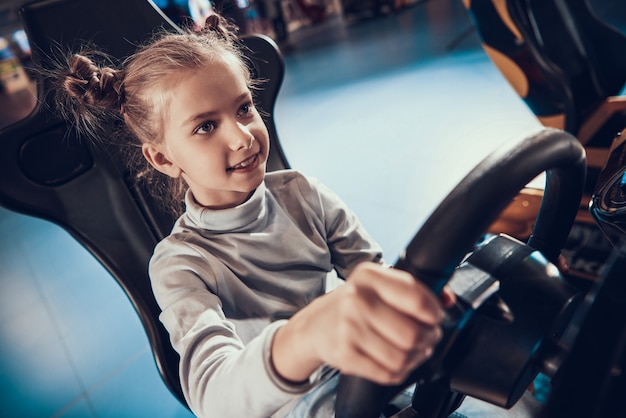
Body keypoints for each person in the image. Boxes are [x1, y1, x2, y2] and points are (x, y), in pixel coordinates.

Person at [52, 14, 541, 418]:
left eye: (244, 108)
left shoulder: (301, 193)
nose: (242, 136)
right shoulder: (180, 266)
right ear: (162, 158)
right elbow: (213, 396)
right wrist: (309, 335)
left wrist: (407, 301)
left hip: (364, 374)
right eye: (205, 126)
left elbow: (368, 269)